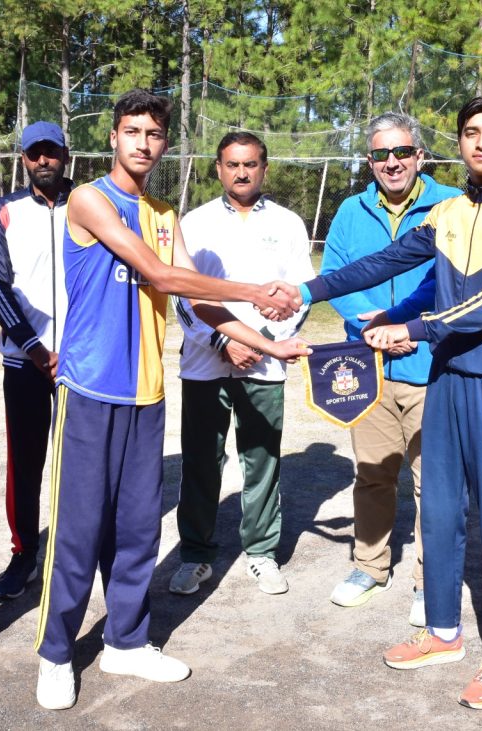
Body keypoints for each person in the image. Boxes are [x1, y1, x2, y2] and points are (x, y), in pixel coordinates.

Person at [33, 89, 306, 711]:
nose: (143, 143)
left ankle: (126, 641)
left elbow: (195, 300)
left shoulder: (162, 213)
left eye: (154, 134)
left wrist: (266, 343)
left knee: (137, 530)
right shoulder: (89, 199)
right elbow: (161, 276)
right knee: (79, 530)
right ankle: (55, 653)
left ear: (164, 144)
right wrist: (255, 291)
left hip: (146, 392)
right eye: (132, 131)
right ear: (113, 137)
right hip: (90, 388)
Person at [289, 96, 482, 711]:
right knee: (437, 510)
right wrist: (305, 290)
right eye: (471, 132)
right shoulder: (449, 211)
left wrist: (413, 328)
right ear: (458, 143)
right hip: (446, 378)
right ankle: (442, 632)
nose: (481, 142)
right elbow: (386, 261)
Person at [320, 112, 460, 625]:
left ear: (420, 156)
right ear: (369, 161)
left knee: (434, 484)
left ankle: (430, 580)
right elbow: (335, 276)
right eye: (381, 154)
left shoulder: (451, 204)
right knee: (373, 474)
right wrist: (372, 328)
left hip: (433, 366)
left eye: (402, 152)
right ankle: (370, 566)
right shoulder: (350, 210)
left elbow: (457, 280)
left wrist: (408, 326)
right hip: (368, 366)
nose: (392, 162)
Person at [169, 132, 314, 597]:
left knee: (262, 460)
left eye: (250, 164)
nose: (242, 172)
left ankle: (261, 553)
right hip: (205, 363)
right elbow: (181, 294)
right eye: (232, 164)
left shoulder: (289, 223)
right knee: (201, 461)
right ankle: (195, 555)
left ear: (264, 168)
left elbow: (302, 292)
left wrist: (267, 343)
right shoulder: (194, 222)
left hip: (266, 365)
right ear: (218, 169)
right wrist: (221, 341)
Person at [0, 121, 72, 600]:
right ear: (23, 159)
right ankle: (24, 555)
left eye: (51, 151)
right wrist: (36, 349)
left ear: (65, 155)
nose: (43, 160)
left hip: (80, 362)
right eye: (34, 153)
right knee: (26, 463)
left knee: (79, 463)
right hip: (25, 363)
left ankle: (73, 551)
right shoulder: (5, 211)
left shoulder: (90, 205)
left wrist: (74, 348)